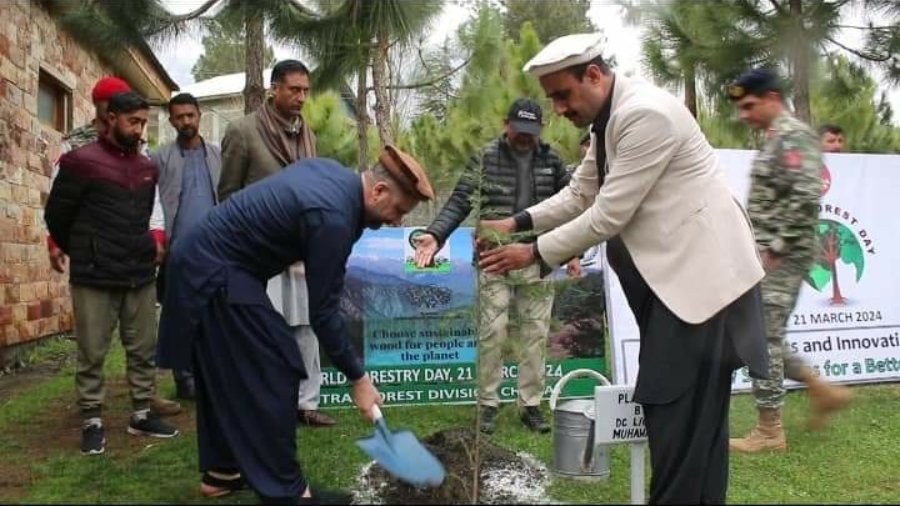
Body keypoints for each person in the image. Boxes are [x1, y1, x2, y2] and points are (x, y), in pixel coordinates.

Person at [476, 33, 768, 504]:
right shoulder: (606, 123)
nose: (559, 109)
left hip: (701, 292)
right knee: (691, 429)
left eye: (563, 95)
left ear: (594, 74)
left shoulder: (644, 115)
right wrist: (516, 222)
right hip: (678, 292)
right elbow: (579, 195)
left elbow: (609, 214)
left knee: (680, 424)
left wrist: (532, 252)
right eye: (552, 98)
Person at [156, 145, 434, 503]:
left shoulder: (333, 175)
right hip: (215, 272)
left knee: (226, 370)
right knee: (276, 367)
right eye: (398, 210)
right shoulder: (334, 214)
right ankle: (288, 492)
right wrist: (359, 378)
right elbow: (324, 311)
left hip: (210, 264)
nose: (397, 221)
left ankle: (221, 471)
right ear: (378, 191)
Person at [413, 98, 572, 434]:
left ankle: (530, 404)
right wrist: (435, 235)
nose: (525, 138)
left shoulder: (553, 160)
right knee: (492, 333)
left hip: (537, 255)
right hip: (492, 257)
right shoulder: (485, 157)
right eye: (519, 131)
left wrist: (569, 250)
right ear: (505, 124)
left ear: (540, 129)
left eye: (532, 132)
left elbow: (570, 206)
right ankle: (487, 404)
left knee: (535, 333)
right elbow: (460, 199)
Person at [45, 91, 180, 456]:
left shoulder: (147, 167)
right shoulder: (79, 162)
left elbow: (150, 213)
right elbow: (56, 216)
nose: (139, 130)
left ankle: (140, 414)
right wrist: (85, 248)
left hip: (139, 271)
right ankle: (92, 420)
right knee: (92, 351)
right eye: (133, 121)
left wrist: (151, 244)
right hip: (94, 276)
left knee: (142, 348)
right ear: (111, 118)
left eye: (143, 123)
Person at [727, 69, 852, 453]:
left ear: (772, 97)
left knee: (763, 337)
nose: (744, 115)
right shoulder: (775, 138)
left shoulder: (794, 135)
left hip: (783, 254)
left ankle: (770, 431)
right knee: (762, 335)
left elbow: (806, 194)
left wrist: (776, 249)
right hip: (768, 253)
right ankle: (821, 390)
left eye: (749, 105)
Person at [218, 59, 333, 427]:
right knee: (261, 328)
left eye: (305, 91)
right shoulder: (243, 131)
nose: (301, 97)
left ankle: (306, 403)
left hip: (301, 249)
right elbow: (228, 195)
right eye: (294, 90)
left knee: (306, 327)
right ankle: (263, 401)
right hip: (259, 251)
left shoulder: (307, 133)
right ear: (274, 88)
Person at [151, 92, 222, 400]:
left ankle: (212, 372)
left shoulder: (219, 155)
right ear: (171, 121)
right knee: (179, 315)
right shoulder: (159, 157)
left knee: (215, 313)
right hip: (176, 252)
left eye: (190, 115)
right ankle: (185, 378)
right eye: (179, 117)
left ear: (199, 115)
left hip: (217, 250)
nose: (186, 121)